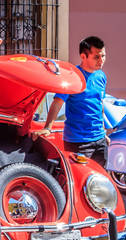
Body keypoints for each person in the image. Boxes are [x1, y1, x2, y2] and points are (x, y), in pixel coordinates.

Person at [32, 36, 111, 167]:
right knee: (80, 182)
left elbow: (99, 104)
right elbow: (57, 102)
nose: (101, 60)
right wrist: (47, 128)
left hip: (100, 140)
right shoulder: (72, 76)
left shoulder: (101, 76)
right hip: (78, 142)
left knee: (101, 181)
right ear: (83, 56)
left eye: (103, 56)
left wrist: (103, 132)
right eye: (97, 57)